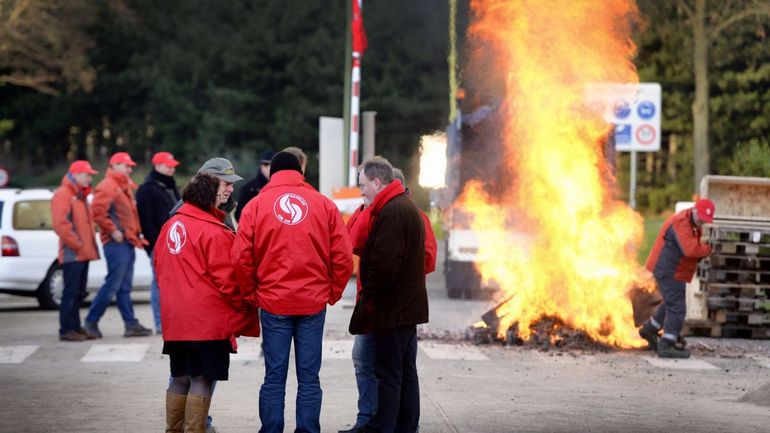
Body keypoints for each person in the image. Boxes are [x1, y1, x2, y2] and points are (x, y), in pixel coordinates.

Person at [232, 151, 353, 433]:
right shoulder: (324, 204)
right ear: (300, 171)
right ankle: (308, 429)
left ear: (271, 173)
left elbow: (241, 257)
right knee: (309, 377)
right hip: (312, 303)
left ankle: (271, 429)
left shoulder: (255, 205)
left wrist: (253, 295)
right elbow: (343, 256)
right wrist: (332, 292)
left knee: (274, 375)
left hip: (274, 303)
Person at [155, 167, 258, 433]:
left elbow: (160, 268)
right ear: (209, 193)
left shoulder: (170, 225)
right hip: (206, 321)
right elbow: (229, 281)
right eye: (224, 186)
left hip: (176, 320)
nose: (230, 190)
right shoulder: (213, 231)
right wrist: (248, 305)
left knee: (179, 377)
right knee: (201, 378)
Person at [340, 166, 436, 433]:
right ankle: (396, 424)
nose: (360, 191)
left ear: (378, 182)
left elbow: (386, 263)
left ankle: (385, 425)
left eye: (363, 185)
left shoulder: (394, 213)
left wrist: (372, 297)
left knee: (390, 372)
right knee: (398, 370)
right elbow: (356, 243)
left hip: (391, 306)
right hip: (402, 305)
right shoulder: (395, 210)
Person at [84, 152, 152, 338]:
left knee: (123, 287)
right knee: (113, 285)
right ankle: (91, 322)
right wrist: (113, 231)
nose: (130, 169)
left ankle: (130, 324)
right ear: (115, 165)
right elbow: (97, 212)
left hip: (127, 241)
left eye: (130, 166)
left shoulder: (121, 184)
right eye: (126, 166)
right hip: (117, 243)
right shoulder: (108, 185)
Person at [639, 198, 715, 359]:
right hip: (668, 271)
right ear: (694, 210)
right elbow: (690, 249)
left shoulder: (693, 223)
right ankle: (666, 345)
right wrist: (708, 249)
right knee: (678, 308)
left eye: (705, 220)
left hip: (673, 270)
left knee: (670, 303)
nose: (702, 222)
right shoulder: (681, 223)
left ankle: (649, 330)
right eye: (701, 217)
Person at [50, 160, 101, 341]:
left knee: (79, 292)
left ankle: (75, 327)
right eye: (87, 175)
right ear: (76, 175)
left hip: (82, 252)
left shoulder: (79, 195)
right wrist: (78, 244)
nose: (89, 178)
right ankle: (66, 330)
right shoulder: (64, 194)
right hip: (73, 253)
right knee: (71, 292)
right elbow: (60, 224)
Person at [136, 151, 181, 334]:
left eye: (173, 166)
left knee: (175, 285)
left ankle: (174, 321)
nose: (171, 169)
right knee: (159, 284)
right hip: (159, 245)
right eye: (168, 166)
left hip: (175, 242)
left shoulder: (171, 186)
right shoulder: (146, 189)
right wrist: (155, 245)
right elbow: (145, 220)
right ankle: (161, 324)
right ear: (157, 165)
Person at [234, 149, 275, 221]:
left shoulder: (284, 188)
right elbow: (239, 215)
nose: (269, 168)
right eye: (265, 164)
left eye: (272, 164)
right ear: (261, 166)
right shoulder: (247, 189)